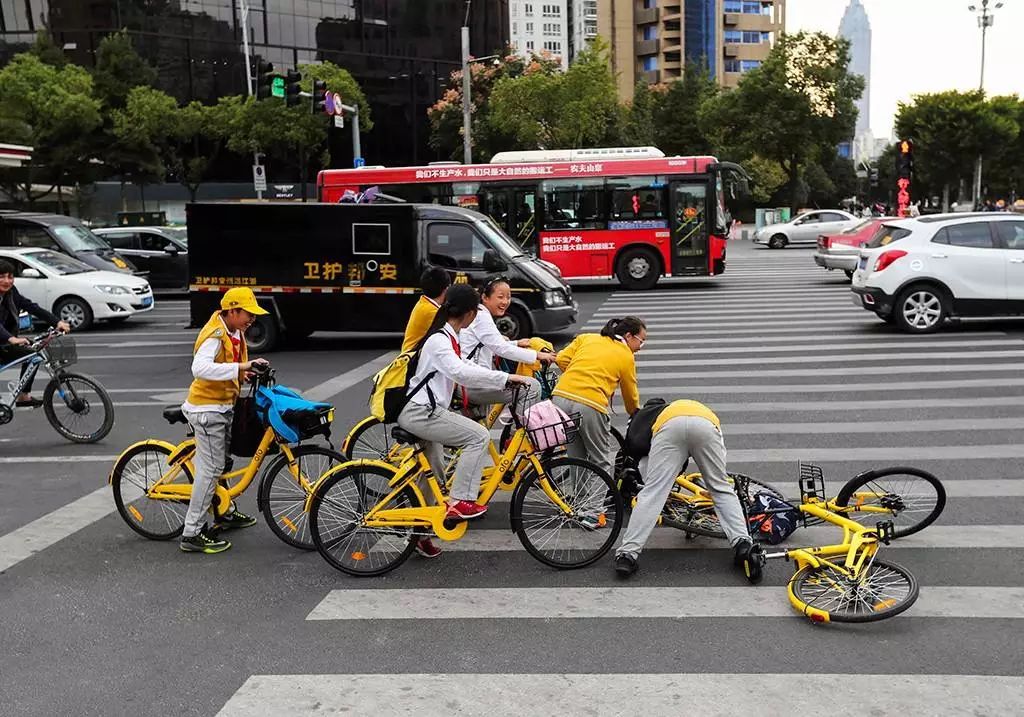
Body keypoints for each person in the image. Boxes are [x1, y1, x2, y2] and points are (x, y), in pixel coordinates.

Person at [397, 284, 532, 557]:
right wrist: (505, 378)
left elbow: (466, 367)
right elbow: (461, 373)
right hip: (421, 412)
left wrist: (504, 378)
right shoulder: (439, 340)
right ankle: (461, 502)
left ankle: (418, 532)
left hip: (424, 410)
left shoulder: (448, 336)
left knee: (433, 474)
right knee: (478, 436)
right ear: (470, 313)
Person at [613, 399, 764, 583]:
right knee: (720, 488)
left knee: (652, 493)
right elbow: (719, 464)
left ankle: (627, 556)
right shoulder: (701, 410)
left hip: (669, 427)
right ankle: (742, 544)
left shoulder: (653, 417)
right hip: (706, 425)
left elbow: (644, 458)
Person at [179, 287, 270, 554]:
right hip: (207, 411)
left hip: (223, 407)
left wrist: (244, 374)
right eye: (247, 314)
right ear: (232, 310)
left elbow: (229, 365)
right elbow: (200, 368)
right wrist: (242, 367)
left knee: (224, 462)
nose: (251, 320)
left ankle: (224, 512)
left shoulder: (235, 332)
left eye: (254, 315)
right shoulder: (215, 334)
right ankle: (192, 532)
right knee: (211, 469)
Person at [551, 316, 644, 478]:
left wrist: (579, 373)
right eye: (641, 341)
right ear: (628, 336)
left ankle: (579, 502)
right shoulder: (626, 355)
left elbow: (561, 358)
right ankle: (595, 504)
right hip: (590, 404)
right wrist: (634, 413)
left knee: (576, 459)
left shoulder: (586, 338)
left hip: (560, 398)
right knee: (600, 461)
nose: (641, 347)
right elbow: (630, 393)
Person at [460, 276, 555, 415]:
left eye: (508, 297)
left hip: (470, 380)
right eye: (500, 297)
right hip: (473, 383)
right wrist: (538, 355)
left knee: (481, 427)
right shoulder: (481, 317)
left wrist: (516, 343)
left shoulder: (479, 314)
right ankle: (520, 435)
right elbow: (500, 348)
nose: (505, 301)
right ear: (485, 297)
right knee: (532, 387)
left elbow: (491, 344)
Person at [0, 258, 71, 407]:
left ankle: (23, 396)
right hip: (6, 341)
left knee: (34, 353)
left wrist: (57, 322)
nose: (7, 281)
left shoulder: (11, 292)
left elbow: (31, 307)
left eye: (10, 276)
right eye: (2, 277)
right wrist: (12, 338)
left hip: (4, 343)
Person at [401, 267, 451, 353]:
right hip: (413, 361)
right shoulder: (432, 311)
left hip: (411, 356)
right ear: (446, 289)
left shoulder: (423, 302)